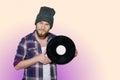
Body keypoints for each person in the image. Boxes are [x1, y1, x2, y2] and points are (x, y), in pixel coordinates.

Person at [13, 6, 78, 80]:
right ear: (36, 23)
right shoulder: (26, 40)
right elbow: (16, 65)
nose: (43, 27)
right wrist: (37, 58)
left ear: (50, 26)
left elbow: (61, 57)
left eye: (47, 24)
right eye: (40, 23)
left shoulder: (55, 40)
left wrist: (71, 53)